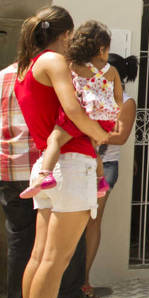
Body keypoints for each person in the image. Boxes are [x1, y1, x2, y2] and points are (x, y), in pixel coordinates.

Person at [14, 6, 110, 298]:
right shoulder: (53, 61)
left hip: (48, 164)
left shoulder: (26, 67)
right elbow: (73, 109)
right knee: (56, 261)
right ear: (66, 34)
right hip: (71, 166)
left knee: (39, 257)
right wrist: (100, 133)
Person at [0, 56, 100, 298]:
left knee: (27, 249)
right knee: (56, 256)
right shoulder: (53, 71)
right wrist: (100, 133)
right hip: (51, 164)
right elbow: (70, 114)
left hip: (12, 168)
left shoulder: (3, 78)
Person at [20, 21, 122, 199]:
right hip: (105, 117)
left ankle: (45, 174)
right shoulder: (111, 70)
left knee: (54, 139)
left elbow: (70, 92)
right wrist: (113, 116)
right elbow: (118, 97)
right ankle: (100, 180)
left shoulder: (73, 66)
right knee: (93, 148)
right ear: (101, 50)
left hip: (84, 113)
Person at [83, 53, 138, 296]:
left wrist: (82, 132)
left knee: (92, 222)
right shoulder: (88, 93)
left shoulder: (125, 101)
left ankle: (83, 281)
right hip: (81, 162)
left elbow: (121, 137)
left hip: (105, 167)